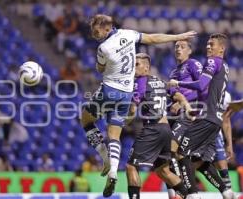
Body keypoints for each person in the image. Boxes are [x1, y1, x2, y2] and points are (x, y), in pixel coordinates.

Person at [80, 14, 197, 197]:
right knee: (117, 137)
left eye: (96, 31)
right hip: (131, 100)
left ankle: (105, 157)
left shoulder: (104, 47)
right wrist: (176, 37)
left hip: (113, 92)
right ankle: (192, 194)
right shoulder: (130, 35)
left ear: (107, 28)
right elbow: (152, 38)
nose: (94, 35)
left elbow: (100, 69)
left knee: (86, 119)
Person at [168, 33, 235, 199]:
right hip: (215, 120)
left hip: (206, 117)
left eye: (212, 44)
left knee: (181, 153)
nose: (208, 47)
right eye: (207, 44)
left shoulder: (211, 61)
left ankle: (192, 194)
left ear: (222, 48)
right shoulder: (225, 65)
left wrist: (179, 84)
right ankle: (226, 191)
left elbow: (201, 85)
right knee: (200, 159)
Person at [126, 53, 192, 199]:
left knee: (131, 166)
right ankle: (189, 196)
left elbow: (132, 109)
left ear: (146, 67)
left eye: (137, 65)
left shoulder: (140, 82)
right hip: (166, 130)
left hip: (152, 129)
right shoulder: (161, 82)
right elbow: (179, 96)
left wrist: (125, 122)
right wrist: (187, 107)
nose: (134, 68)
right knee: (163, 171)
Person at [166, 40, 203, 198]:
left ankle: (178, 190)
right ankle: (191, 193)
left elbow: (203, 86)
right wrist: (175, 102)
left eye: (182, 47)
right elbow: (174, 93)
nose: (178, 49)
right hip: (177, 114)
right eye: (176, 47)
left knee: (170, 149)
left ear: (189, 51)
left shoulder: (193, 64)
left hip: (191, 112)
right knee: (177, 153)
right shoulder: (173, 73)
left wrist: (188, 105)